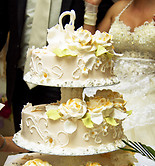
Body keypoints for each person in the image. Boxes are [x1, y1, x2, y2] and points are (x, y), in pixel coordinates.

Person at [0, 0, 113, 133]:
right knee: (25, 141)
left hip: (65, 82)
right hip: (21, 78)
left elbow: (102, 29)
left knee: (61, 144)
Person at [84, 0, 155, 145]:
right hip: (112, 88)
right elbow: (89, 51)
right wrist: (91, 9)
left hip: (148, 91)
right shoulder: (118, 8)